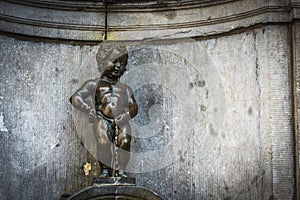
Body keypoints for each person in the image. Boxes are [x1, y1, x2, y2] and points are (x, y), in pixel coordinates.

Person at [70, 45, 138, 177]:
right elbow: (75, 97)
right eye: (114, 61)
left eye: (122, 63)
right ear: (102, 62)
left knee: (124, 142)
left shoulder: (125, 88)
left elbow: (133, 106)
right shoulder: (94, 84)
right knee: (103, 142)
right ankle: (105, 170)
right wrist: (88, 109)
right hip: (102, 119)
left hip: (121, 121)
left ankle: (121, 171)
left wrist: (126, 116)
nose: (118, 66)